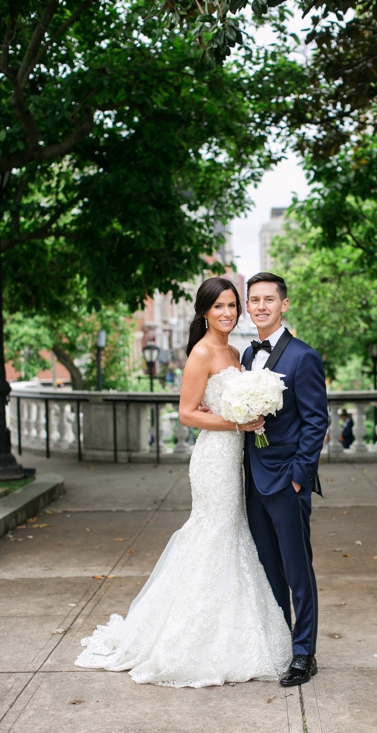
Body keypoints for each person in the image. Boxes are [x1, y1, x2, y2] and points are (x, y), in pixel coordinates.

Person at [76, 277, 292, 687]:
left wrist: (250, 419)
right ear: (205, 312)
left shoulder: (234, 350)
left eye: (232, 305)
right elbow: (188, 414)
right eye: (219, 307)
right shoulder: (202, 352)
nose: (228, 313)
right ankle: (187, 638)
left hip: (236, 456)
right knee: (212, 533)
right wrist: (238, 421)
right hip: (214, 457)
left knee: (231, 534)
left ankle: (228, 628)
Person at [242, 272, 330, 687]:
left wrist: (298, 477)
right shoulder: (246, 355)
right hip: (253, 481)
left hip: (286, 481)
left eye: (269, 300)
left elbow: (317, 422)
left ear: (284, 305)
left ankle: (303, 653)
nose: (261, 306)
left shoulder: (303, 356)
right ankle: (280, 642)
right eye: (254, 300)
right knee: (268, 566)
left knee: (298, 569)